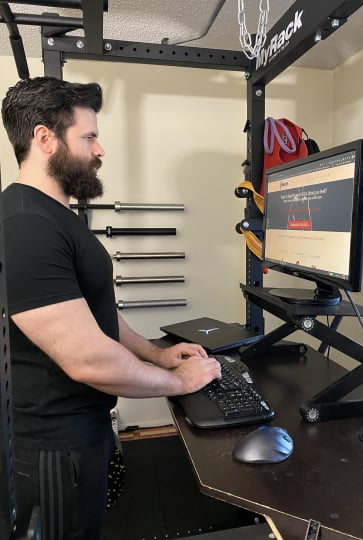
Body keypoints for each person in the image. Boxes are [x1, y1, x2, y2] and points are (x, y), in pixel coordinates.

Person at [0, 76, 221, 540]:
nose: (100, 149)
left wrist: (156, 355)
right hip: (52, 451)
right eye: (89, 136)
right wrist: (177, 382)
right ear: (45, 138)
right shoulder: (25, 224)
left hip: (82, 433)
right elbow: (88, 359)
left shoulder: (53, 215)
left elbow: (95, 316)